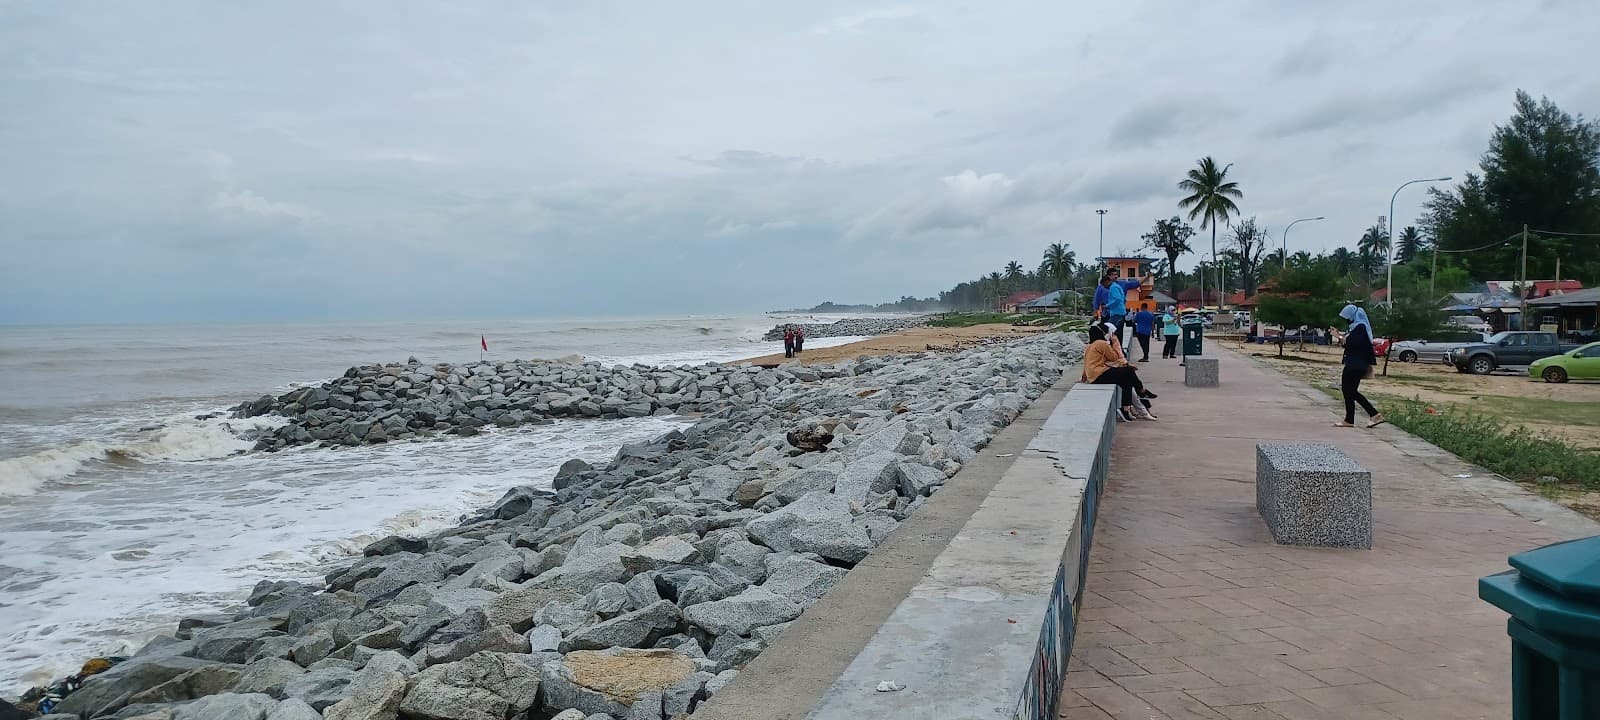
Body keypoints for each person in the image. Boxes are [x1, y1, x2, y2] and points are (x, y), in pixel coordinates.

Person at [1080, 325, 1157, 420]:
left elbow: (1086, 363)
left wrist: (1084, 377)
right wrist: (1114, 343)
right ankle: (1142, 391)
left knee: (1127, 381)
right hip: (1099, 374)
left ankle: (1125, 409)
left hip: (1093, 376)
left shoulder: (1089, 346)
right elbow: (1114, 357)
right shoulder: (1101, 343)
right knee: (1129, 371)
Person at [1335, 304, 1384, 428]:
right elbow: (1349, 345)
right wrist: (1341, 338)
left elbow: (1353, 344)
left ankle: (1374, 414)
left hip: (1356, 364)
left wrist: (1339, 336)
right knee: (1349, 391)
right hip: (1354, 363)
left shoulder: (1360, 327)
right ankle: (1350, 419)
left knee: (1349, 391)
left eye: (1347, 317)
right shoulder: (1356, 328)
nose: (1347, 320)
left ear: (1352, 316)